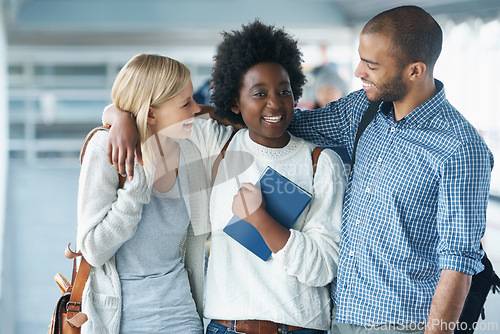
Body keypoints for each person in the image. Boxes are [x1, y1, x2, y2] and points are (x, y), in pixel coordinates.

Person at [104, 20, 346, 334]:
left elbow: (323, 268)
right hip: (225, 327)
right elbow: (157, 111)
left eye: (284, 91)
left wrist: (261, 219)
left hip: (299, 327)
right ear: (234, 101)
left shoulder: (321, 163)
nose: (274, 103)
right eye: (259, 93)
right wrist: (118, 116)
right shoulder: (216, 144)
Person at [288, 5, 494, 333]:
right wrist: (221, 112)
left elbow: (458, 261)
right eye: (360, 59)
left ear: (415, 70)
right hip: (341, 314)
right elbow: (292, 125)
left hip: (404, 323)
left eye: (371, 65)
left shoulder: (460, 148)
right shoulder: (363, 109)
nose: (358, 72)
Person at [77, 53, 211, 333]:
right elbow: (93, 250)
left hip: (181, 315)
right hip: (120, 319)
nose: (196, 109)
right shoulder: (105, 149)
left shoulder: (189, 150)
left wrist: (118, 114)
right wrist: (136, 188)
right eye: (186, 103)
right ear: (151, 113)